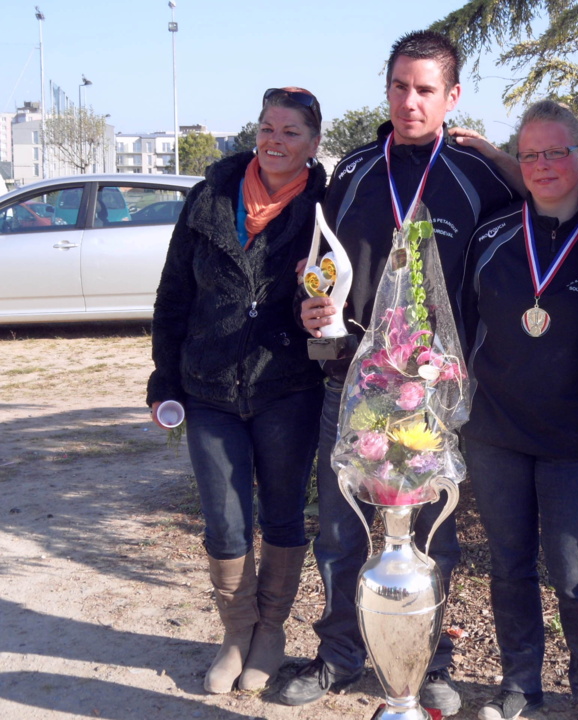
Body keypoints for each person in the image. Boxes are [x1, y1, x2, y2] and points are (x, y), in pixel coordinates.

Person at [283, 31, 515, 715]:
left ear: (453, 96)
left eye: (425, 90)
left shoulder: (481, 174)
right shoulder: (354, 170)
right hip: (352, 389)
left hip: (435, 398)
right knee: (341, 530)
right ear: (385, 89)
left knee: (431, 536)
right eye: (399, 87)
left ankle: (428, 660)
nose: (410, 102)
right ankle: (339, 654)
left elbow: (531, 241)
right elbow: (316, 264)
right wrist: (311, 304)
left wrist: (501, 153)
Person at [146, 87, 326, 694]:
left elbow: (342, 295)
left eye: (291, 132)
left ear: (313, 143)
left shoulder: (326, 207)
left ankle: (270, 632)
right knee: (224, 523)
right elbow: (173, 296)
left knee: (281, 514)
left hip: (288, 386)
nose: (275, 141)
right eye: (267, 128)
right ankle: (236, 631)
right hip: (209, 389)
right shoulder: (208, 199)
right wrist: (164, 379)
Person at [461, 100, 578, 720]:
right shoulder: (491, 235)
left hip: (575, 439)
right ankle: (519, 684)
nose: (543, 165)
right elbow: (462, 325)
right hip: (495, 432)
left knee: (575, 576)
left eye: (557, 152)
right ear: (515, 161)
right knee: (509, 565)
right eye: (529, 154)